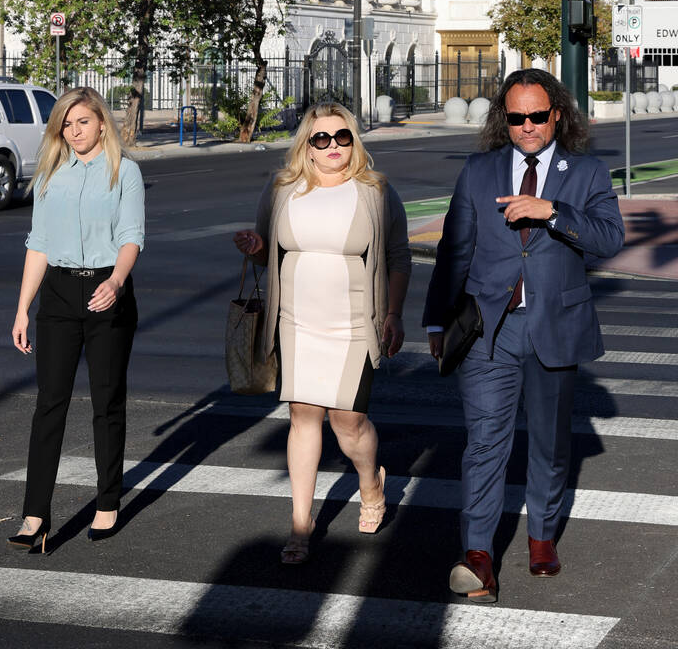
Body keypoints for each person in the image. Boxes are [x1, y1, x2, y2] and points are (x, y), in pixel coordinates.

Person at [423, 68, 623, 602]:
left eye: (537, 116)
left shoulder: (586, 172)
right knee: (485, 443)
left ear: (557, 114)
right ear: (503, 119)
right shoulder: (479, 170)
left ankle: (540, 536)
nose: (528, 126)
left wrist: (552, 211)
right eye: (516, 117)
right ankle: (479, 555)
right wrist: (439, 318)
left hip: (555, 327)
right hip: (489, 330)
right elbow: (454, 249)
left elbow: (609, 239)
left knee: (551, 445)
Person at [234, 101, 410, 565]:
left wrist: (394, 313)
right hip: (295, 322)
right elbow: (265, 251)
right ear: (306, 146)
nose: (333, 146)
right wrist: (254, 248)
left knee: (347, 422)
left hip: (354, 324)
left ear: (354, 139)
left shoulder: (375, 190)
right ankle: (299, 524)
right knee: (303, 415)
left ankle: (371, 483)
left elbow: (398, 257)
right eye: (321, 138)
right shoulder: (282, 188)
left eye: (342, 136)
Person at [8, 86, 145, 553]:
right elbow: (39, 244)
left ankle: (108, 502)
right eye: (67, 124)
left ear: (102, 123)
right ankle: (35, 515)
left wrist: (118, 281)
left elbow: (131, 236)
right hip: (60, 295)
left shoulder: (124, 171)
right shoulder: (51, 176)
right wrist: (23, 308)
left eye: (82, 122)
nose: (74, 131)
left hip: (109, 291)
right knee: (50, 404)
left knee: (107, 403)